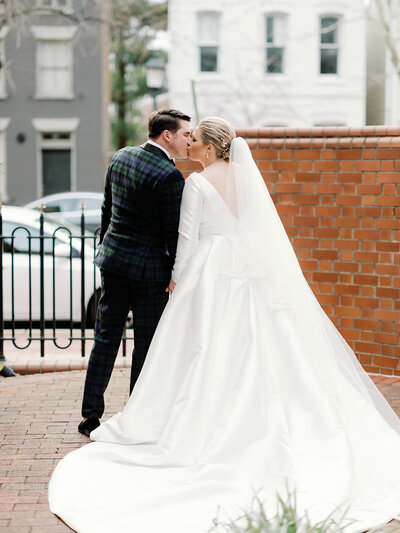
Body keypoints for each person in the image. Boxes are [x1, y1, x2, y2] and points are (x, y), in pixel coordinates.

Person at [50, 117, 400, 533]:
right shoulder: (243, 180)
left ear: (210, 148)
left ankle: (169, 417)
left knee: (195, 345)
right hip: (246, 270)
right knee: (261, 344)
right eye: (187, 137)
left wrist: (177, 281)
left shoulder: (196, 183)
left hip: (208, 272)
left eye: (194, 139)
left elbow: (187, 237)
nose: (189, 144)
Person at [78, 108, 191, 437]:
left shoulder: (121, 157)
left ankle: (89, 415)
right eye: (185, 134)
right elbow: (174, 233)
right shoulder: (170, 176)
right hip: (148, 274)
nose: (189, 140)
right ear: (167, 135)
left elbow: (107, 210)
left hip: (112, 264)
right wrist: (175, 271)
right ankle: (136, 415)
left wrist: (106, 247)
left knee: (105, 339)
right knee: (145, 345)